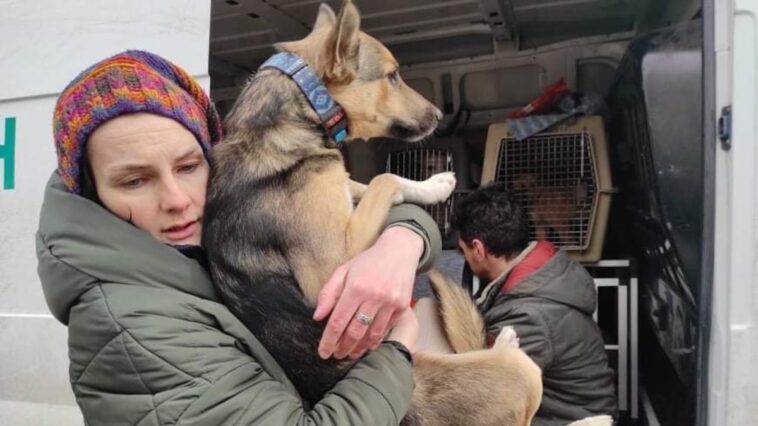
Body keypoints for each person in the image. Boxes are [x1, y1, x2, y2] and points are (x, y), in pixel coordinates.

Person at [37, 50, 442, 424]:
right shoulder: (131, 328)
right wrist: (397, 351)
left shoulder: (207, 241)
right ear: (92, 192)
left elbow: (360, 209)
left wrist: (401, 244)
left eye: (189, 166)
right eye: (135, 180)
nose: (177, 201)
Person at [450, 183, 617, 425]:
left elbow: (484, 393)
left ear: (478, 249)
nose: (462, 258)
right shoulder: (542, 277)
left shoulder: (528, 315)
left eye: (462, 250)